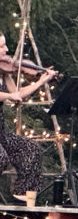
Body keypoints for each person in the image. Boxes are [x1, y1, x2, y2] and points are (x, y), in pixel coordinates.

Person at [0, 31, 56, 202]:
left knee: (31, 149)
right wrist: (9, 96)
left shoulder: (3, 72)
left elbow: (18, 94)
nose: (6, 49)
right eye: (1, 46)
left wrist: (40, 82)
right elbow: (9, 96)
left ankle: (22, 195)